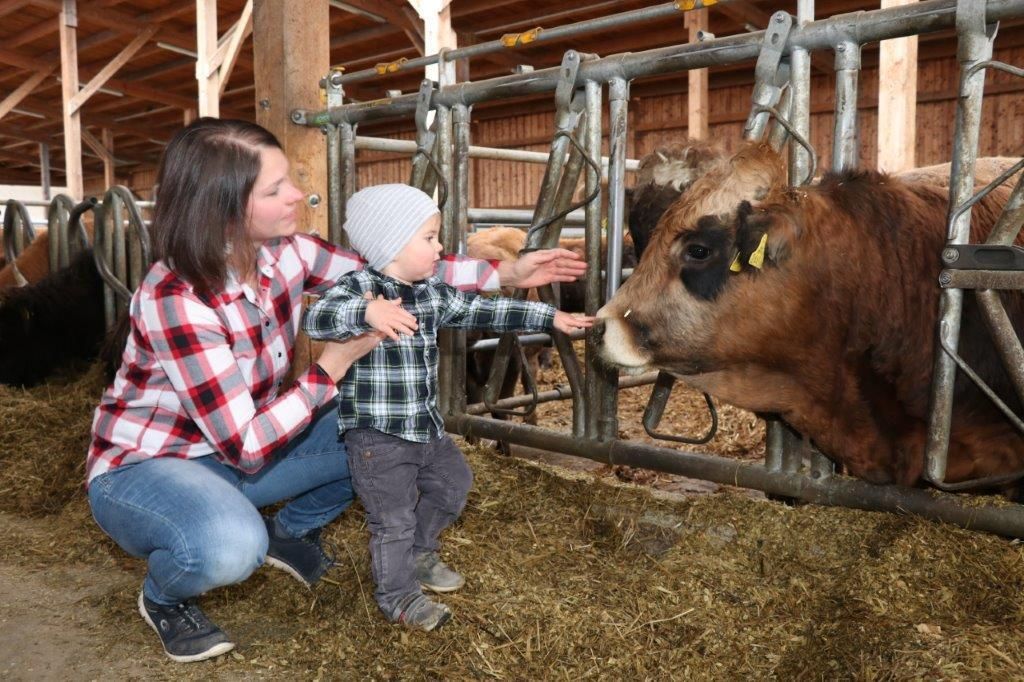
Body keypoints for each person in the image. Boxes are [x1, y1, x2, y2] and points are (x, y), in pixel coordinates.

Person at [85, 117, 587, 663]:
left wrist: (505, 275)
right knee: (230, 548)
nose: (297, 194)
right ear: (224, 207)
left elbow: (394, 272)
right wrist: (333, 365)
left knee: (379, 440)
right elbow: (247, 445)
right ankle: (164, 596)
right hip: (154, 464)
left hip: (247, 440)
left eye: (289, 180)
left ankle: (289, 531)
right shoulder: (177, 298)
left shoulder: (287, 253)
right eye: (275, 189)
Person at [303, 184, 595, 631]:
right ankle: (399, 597)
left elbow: (486, 311)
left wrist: (549, 319)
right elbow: (318, 317)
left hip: (425, 427)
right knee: (392, 520)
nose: (440, 247)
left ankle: (420, 554)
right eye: (429, 238)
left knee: (453, 485)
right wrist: (367, 313)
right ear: (391, 243)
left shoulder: (431, 292)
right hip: (377, 438)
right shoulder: (357, 287)